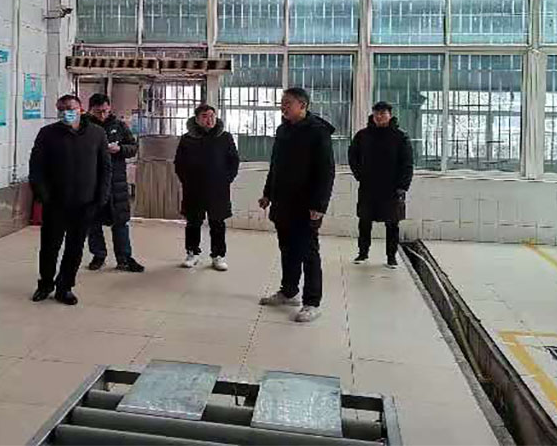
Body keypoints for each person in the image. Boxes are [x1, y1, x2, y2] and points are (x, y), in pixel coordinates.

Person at [257, 87, 335, 324]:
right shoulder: (283, 130)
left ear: (303, 105)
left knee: (308, 252)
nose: (283, 107)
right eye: (282, 103)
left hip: (306, 204)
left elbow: (326, 172)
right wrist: (268, 194)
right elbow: (276, 166)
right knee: (287, 249)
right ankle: (289, 292)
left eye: (288, 103)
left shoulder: (318, 132)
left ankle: (312, 302)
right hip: (283, 202)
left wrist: (319, 205)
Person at [29, 94, 111, 306]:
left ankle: (65, 287)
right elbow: (36, 167)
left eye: (71, 108)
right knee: (49, 247)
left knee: (75, 248)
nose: (67, 112)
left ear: (81, 109)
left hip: (85, 204)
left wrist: (101, 197)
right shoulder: (47, 134)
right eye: (62, 109)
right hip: (55, 203)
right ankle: (45, 284)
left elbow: (105, 168)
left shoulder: (97, 133)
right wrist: (43, 195)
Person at [348, 101, 414, 269]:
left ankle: (391, 257)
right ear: (373, 115)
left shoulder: (400, 137)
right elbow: (352, 156)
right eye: (377, 113)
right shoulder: (363, 135)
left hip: (392, 188)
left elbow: (407, 163)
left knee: (392, 223)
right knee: (364, 221)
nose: (379, 117)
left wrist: (403, 186)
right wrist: (359, 175)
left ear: (390, 115)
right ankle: (363, 253)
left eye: (383, 113)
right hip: (368, 186)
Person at [174, 104, 239, 271]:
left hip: (218, 189)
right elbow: (179, 164)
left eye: (212, 116)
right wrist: (187, 181)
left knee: (217, 223)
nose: (209, 119)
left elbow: (233, 161)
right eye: (204, 116)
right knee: (193, 222)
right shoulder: (187, 139)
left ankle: (218, 256)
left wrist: (225, 180)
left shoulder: (225, 137)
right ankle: (192, 253)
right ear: (196, 119)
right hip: (193, 189)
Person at [84, 94, 144, 273]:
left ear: (109, 108)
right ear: (90, 110)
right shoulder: (84, 127)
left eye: (105, 111)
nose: (102, 115)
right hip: (91, 182)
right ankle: (98, 256)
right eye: (98, 112)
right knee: (93, 223)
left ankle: (124, 258)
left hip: (116, 182)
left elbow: (133, 147)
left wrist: (120, 149)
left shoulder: (119, 126)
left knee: (120, 222)